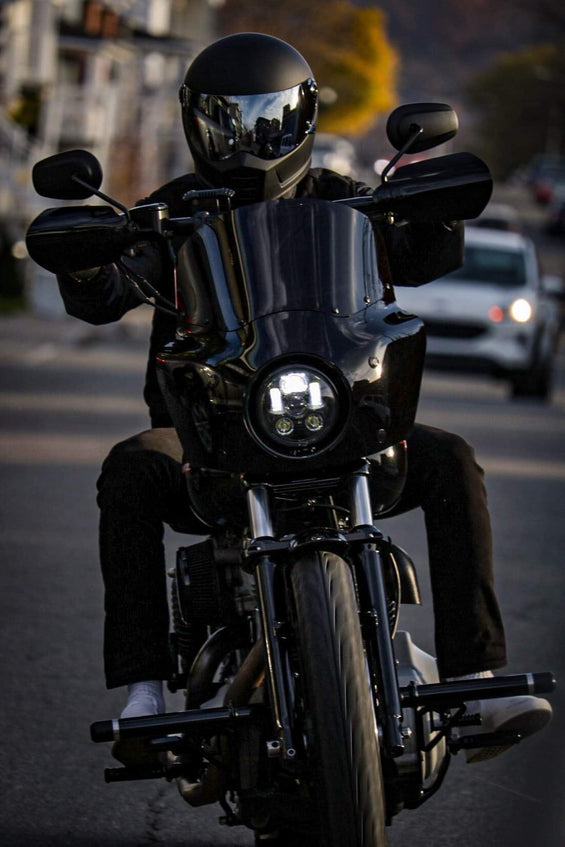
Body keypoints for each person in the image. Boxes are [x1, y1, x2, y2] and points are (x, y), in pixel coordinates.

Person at [56, 33, 551, 765]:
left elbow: (417, 259)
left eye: (266, 119)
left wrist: (432, 212)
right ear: (197, 123)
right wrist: (86, 259)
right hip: (209, 444)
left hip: (340, 423)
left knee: (451, 460)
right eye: (226, 121)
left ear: (301, 119)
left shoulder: (343, 200)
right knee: (131, 468)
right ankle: (144, 691)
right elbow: (110, 292)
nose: (246, 140)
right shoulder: (167, 212)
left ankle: (476, 677)